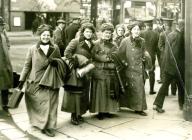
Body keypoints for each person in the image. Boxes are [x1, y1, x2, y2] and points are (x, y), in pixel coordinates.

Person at [18, 24, 66, 137]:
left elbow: (61, 63)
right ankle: (41, 124)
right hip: (36, 81)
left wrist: (57, 62)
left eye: (48, 35)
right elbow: (27, 66)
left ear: (51, 36)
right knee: (40, 105)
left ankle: (49, 126)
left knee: (52, 105)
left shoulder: (55, 48)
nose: (46, 37)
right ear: (40, 36)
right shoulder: (32, 49)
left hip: (51, 80)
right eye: (44, 35)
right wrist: (21, 80)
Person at [61, 22, 96, 125]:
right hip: (76, 71)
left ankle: (80, 113)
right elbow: (67, 53)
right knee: (75, 94)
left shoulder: (93, 44)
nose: (89, 34)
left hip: (87, 71)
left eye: (90, 32)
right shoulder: (75, 41)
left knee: (84, 93)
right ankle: (74, 115)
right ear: (83, 32)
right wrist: (76, 61)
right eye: (87, 31)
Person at [116, 21, 152, 116]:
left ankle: (139, 108)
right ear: (131, 31)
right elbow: (120, 54)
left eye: (138, 29)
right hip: (128, 68)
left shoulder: (142, 41)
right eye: (134, 29)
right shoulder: (125, 41)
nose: (136, 31)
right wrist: (125, 63)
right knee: (128, 88)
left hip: (139, 68)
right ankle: (125, 105)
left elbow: (143, 51)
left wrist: (145, 58)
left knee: (139, 87)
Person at [153, 19, 185, 113]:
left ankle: (157, 104)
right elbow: (175, 53)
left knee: (165, 85)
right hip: (176, 67)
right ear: (182, 26)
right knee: (181, 86)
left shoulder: (171, 34)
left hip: (168, 65)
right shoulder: (179, 36)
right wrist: (178, 67)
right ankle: (182, 105)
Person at [89, 23, 119, 120]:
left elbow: (115, 57)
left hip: (110, 72)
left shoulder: (114, 45)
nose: (107, 35)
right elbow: (92, 56)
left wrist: (103, 58)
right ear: (101, 33)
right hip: (98, 71)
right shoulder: (96, 44)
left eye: (109, 33)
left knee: (109, 90)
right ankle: (100, 111)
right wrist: (104, 59)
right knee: (100, 92)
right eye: (106, 33)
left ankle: (107, 110)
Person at [158, 18, 177, 95]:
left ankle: (165, 92)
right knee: (173, 73)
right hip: (174, 56)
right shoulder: (175, 34)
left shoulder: (162, 34)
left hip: (164, 57)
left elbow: (160, 46)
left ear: (165, 25)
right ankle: (173, 91)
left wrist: (165, 51)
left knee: (164, 73)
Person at [140, 19, 159, 95]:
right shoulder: (156, 34)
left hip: (143, 55)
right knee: (151, 72)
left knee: (143, 72)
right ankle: (151, 90)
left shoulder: (141, 33)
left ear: (145, 25)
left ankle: (142, 90)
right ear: (152, 24)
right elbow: (157, 47)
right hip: (152, 55)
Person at [0, 16, 13, 113]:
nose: (2, 27)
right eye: (1, 25)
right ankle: (4, 104)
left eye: (2, 25)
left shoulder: (2, 34)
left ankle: (5, 104)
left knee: (4, 85)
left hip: (4, 63)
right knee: (3, 84)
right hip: (2, 64)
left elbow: (7, 46)